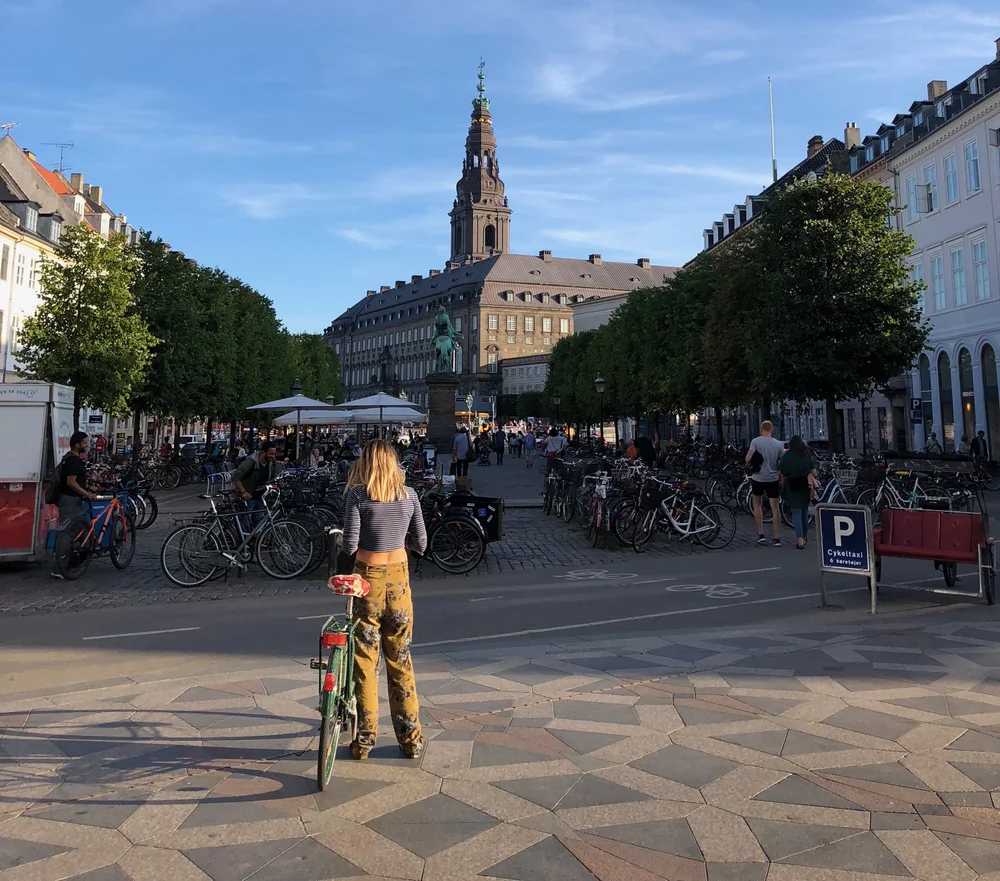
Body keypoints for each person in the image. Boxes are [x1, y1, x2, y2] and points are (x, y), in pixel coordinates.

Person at [341, 440, 428, 761]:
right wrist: (401, 539)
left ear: (364, 464)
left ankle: (365, 740)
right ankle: (411, 740)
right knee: (400, 659)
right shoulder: (409, 496)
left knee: (365, 660)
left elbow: (350, 544)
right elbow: (422, 543)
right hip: (399, 580)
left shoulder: (358, 496)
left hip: (368, 579)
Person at [51, 431, 99, 578]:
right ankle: (60, 567)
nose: (87, 445)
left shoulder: (69, 458)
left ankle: (71, 562)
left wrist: (88, 488)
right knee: (69, 532)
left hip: (71, 499)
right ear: (77, 445)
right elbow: (71, 483)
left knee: (76, 530)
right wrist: (87, 494)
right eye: (84, 443)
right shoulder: (73, 461)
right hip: (70, 500)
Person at [745, 420, 784, 547]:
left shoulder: (755, 441)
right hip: (773, 477)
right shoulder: (778, 444)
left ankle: (761, 534)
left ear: (761, 429)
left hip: (758, 477)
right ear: (771, 429)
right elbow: (782, 462)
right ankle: (776, 537)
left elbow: (748, 458)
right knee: (775, 507)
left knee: (757, 504)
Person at [778, 436, 815, 550]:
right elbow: (814, 473)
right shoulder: (806, 455)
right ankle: (804, 536)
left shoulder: (787, 456)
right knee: (804, 512)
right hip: (805, 486)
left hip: (792, 486)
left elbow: (782, 472)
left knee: (796, 513)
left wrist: (782, 486)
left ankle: (799, 539)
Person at [233, 440, 278, 526]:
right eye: (271, 454)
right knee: (246, 523)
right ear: (263, 452)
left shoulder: (271, 463)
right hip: (249, 497)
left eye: (274, 454)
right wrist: (243, 492)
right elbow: (236, 477)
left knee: (258, 524)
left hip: (261, 497)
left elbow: (272, 478)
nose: (273, 456)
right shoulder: (251, 462)